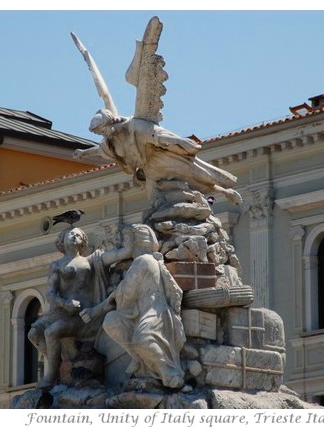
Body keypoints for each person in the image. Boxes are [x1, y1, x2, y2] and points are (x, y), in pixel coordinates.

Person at [80, 224, 186, 389]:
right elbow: (122, 293)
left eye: (128, 241)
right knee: (111, 321)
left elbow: (126, 292)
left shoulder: (143, 260)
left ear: (137, 242)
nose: (126, 246)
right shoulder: (142, 261)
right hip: (138, 311)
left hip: (154, 310)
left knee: (144, 338)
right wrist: (98, 309)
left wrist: (99, 308)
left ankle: (170, 372)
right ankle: (138, 358)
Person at [28, 227, 130, 389]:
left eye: (78, 235)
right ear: (62, 240)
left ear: (83, 241)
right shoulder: (56, 265)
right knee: (34, 333)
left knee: (52, 331)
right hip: (62, 312)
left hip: (85, 317)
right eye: (71, 234)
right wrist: (64, 303)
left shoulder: (90, 260)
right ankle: (61, 364)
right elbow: (50, 294)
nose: (75, 237)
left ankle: (51, 376)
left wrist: (128, 250)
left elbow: (112, 257)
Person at [74, 109, 243, 206]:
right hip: (149, 170)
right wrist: (84, 153)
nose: (101, 135)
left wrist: (179, 141)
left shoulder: (134, 125)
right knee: (156, 202)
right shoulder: (111, 142)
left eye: (101, 131)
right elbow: (101, 150)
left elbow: (158, 135)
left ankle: (227, 192)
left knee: (196, 176)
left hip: (160, 157)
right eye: (98, 133)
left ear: (108, 123)